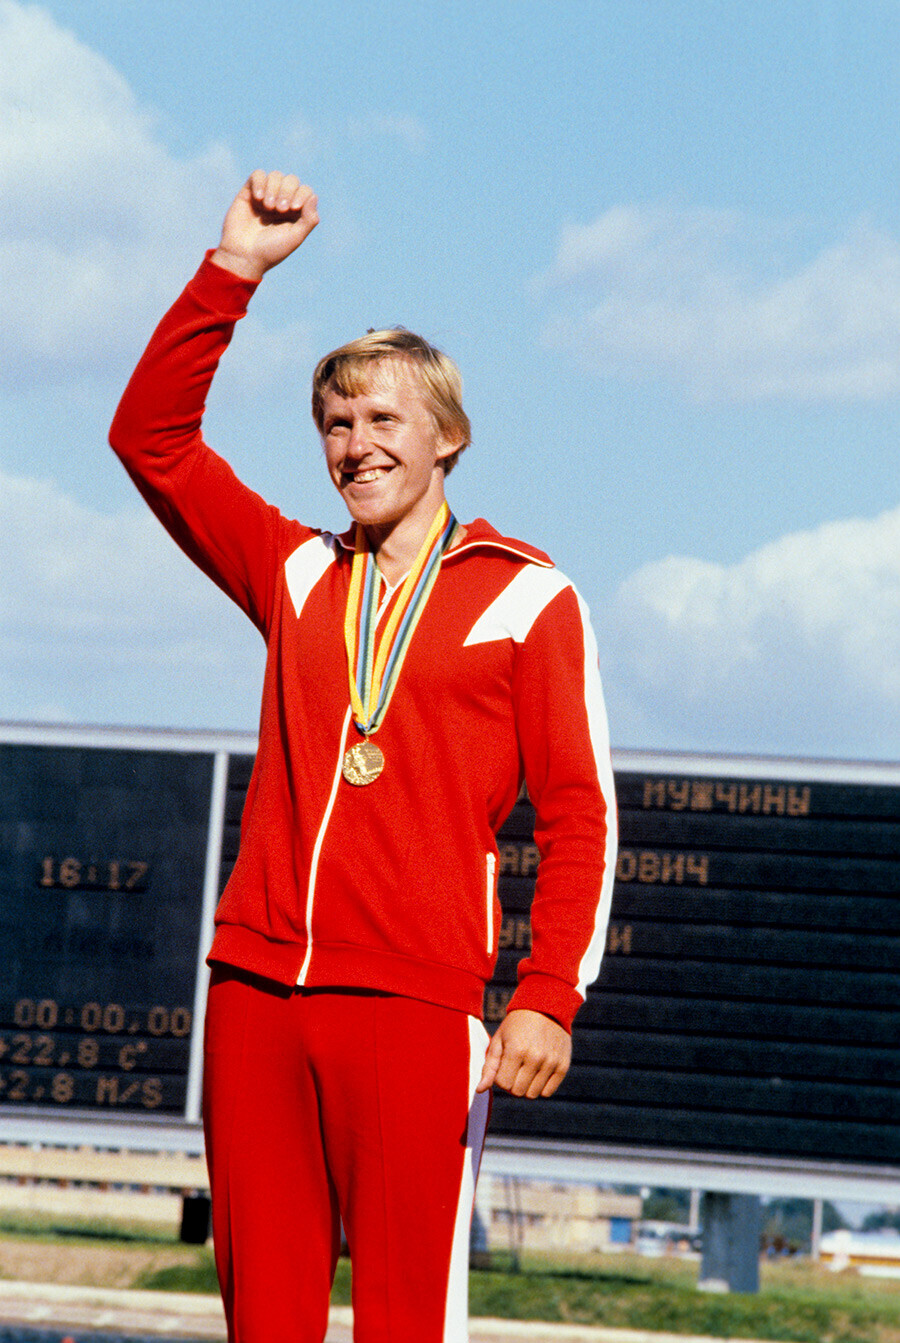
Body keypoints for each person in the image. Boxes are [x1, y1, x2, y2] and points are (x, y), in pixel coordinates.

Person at [110, 170, 618, 1343]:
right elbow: (150, 439)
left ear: (448, 436)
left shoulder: (527, 597)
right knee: (266, 1322)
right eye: (336, 424)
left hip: (413, 1002)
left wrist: (548, 992)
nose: (356, 444)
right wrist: (232, 269)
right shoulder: (295, 574)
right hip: (254, 995)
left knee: (401, 1319)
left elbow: (581, 811)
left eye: (384, 419)